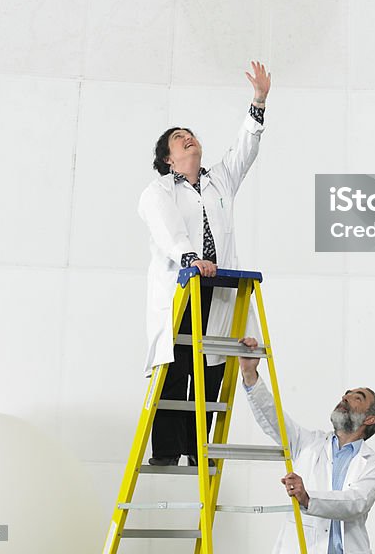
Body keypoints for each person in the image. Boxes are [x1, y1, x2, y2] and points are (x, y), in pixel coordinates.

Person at [138, 61, 271, 466]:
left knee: (212, 366)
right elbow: (167, 229)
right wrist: (191, 258)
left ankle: (198, 450)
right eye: (179, 139)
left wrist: (259, 101)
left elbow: (245, 150)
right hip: (184, 283)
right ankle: (165, 452)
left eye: (190, 135)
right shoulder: (158, 190)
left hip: (220, 285)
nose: (188, 139)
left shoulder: (219, 181)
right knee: (177, 367)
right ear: (168, 160)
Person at [239, 337, 375, 554]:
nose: (345, 397)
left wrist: (307, 497)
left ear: (370, 419)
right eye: (346, 393)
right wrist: (249, 374)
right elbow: (273, 417)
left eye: (357, 397)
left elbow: (357, 502)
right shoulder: (308, 443)